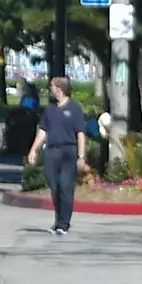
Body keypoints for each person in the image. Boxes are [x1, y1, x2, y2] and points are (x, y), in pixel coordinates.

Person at [27, 76, 89, 237]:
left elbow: (80, 134)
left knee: (65, 187)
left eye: (52, 87)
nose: (50, 89)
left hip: (69, 151)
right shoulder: (50, 110)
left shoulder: (74, 108)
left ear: (59, 89)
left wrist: (81, 156)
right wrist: (34, 150)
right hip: (52, 152)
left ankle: (64, 223)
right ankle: (57, 221)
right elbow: (43, 132)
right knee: (55, 187)